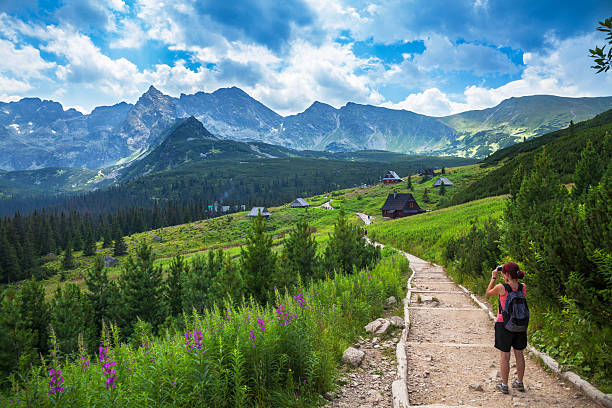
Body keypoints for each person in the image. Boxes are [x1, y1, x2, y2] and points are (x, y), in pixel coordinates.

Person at [485, 261, 527, 394]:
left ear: (507, 274)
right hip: (520, 325)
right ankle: (519, 383)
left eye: (504, 273)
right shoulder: (522, 287)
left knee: (505, 356)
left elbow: (488, 293)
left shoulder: (501, 287)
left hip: (504, 324)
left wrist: (493, 277)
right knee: (519, 354)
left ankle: (504, 385)